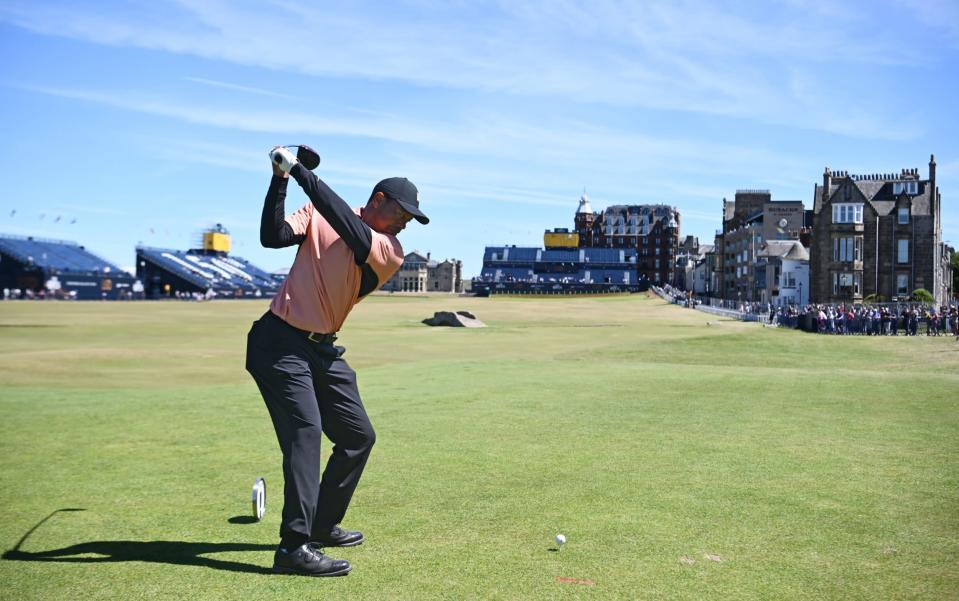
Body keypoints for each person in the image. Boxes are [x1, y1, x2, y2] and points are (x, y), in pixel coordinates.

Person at [245, 146, 428, 577]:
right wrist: (280, 179)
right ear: (379, 199)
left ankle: (323, 524)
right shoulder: (318, 212)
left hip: (322, 349)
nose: (406, 222)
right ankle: (293, 547)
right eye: (403, 212)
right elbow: (272, 237)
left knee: (357, 435)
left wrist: (300, 169)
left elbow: (346, 223)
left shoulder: (389, 249)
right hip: (279, 342)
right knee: (305, 433)